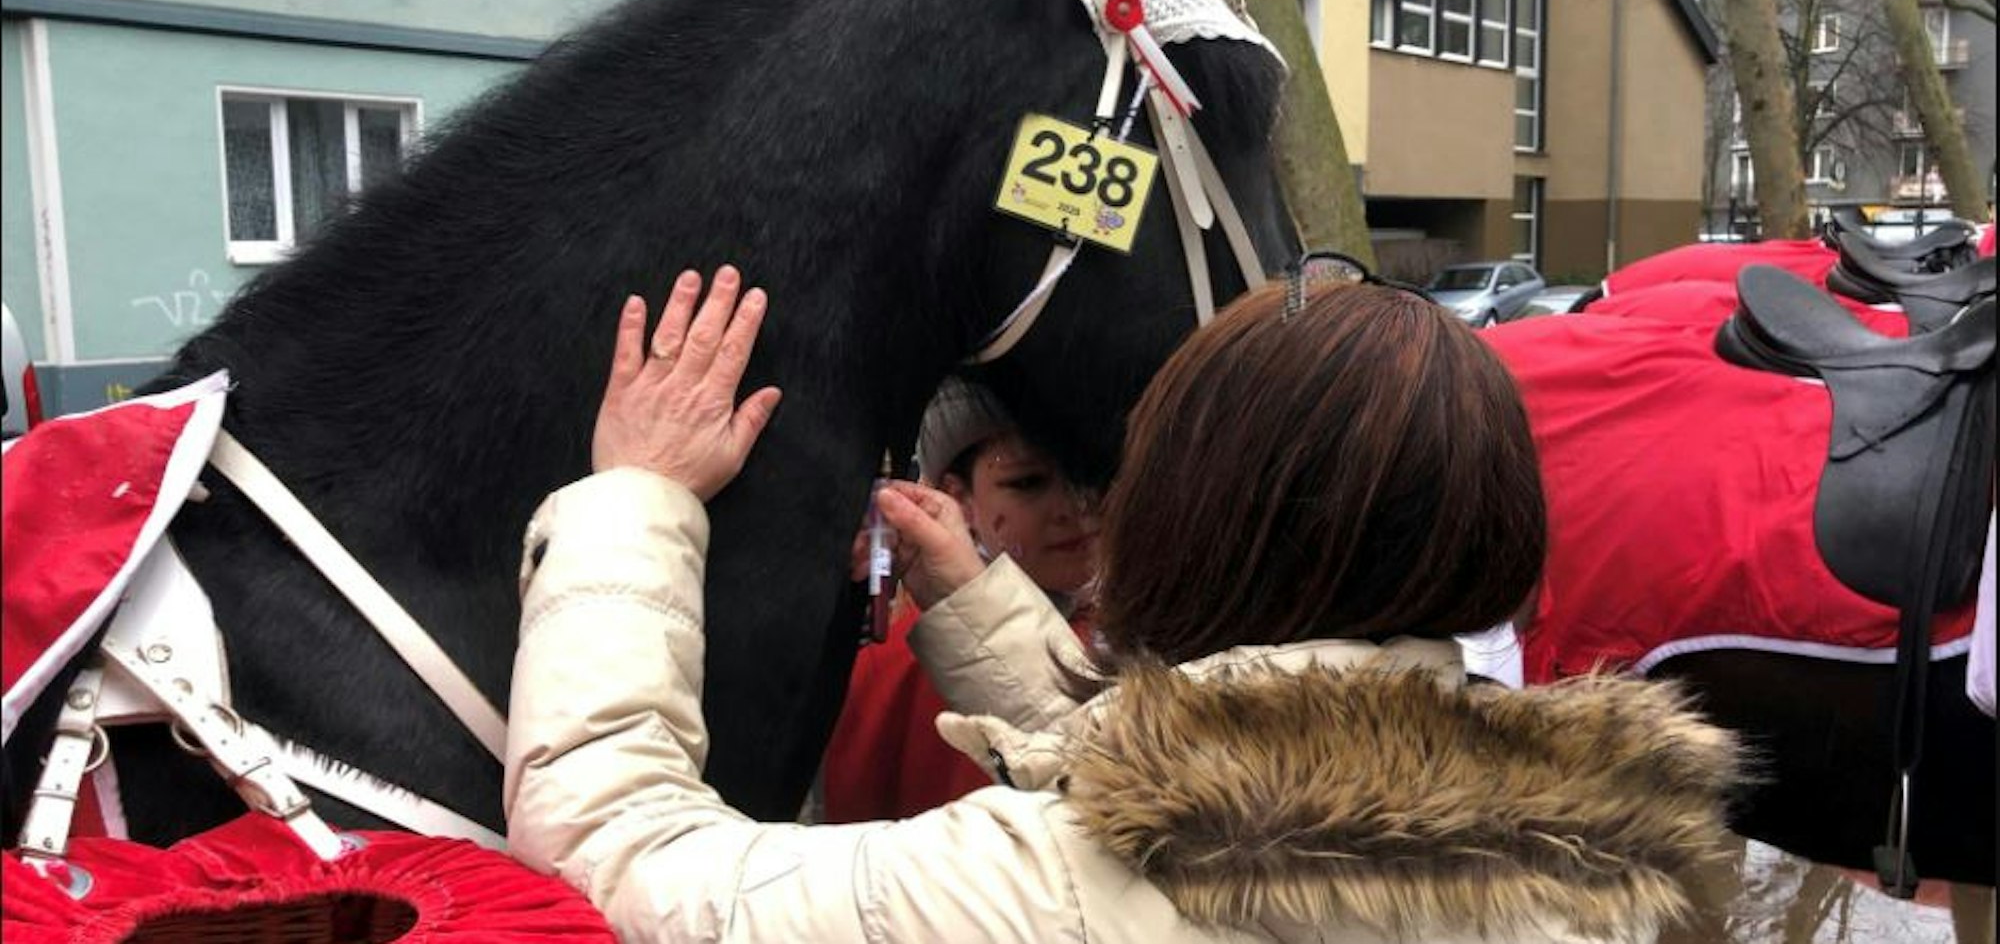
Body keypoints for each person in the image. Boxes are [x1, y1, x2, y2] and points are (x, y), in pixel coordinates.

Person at [505, 265, 1743, 943]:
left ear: (1190, 514)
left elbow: (620, 870)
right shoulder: (1606, 866)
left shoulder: (1070, 886)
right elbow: (1258, 759)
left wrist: (634, 496)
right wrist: (987, 617)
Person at [821, 378, 1099, 821]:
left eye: (1094, 473)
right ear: (958, 498)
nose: (1073, 506)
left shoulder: (1175, 631)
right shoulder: (895, 669)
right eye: (1028, 482)